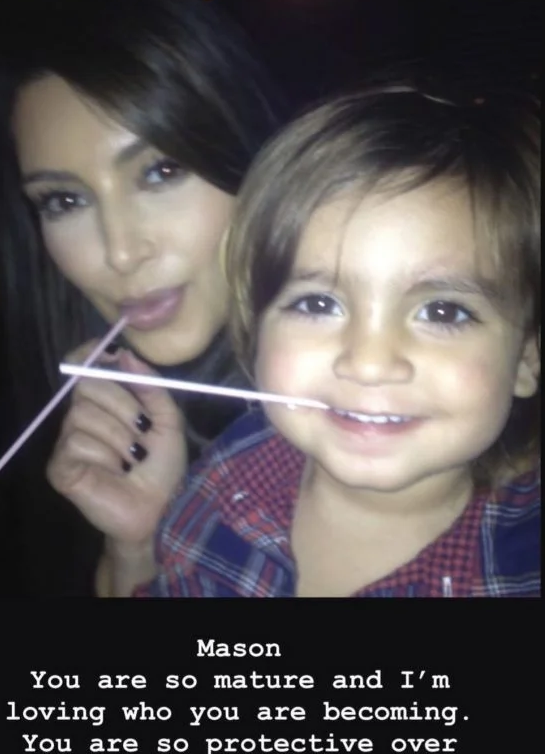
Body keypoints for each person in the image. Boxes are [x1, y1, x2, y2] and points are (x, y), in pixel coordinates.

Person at [0, 0, 283, 597]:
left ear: (251, 156)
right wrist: (138, 552)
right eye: (64, 200)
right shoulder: (26, 416)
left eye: (161, 171)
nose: (120, 252)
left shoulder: (374, 417)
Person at [138, 79, 541, 597]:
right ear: (256, 326)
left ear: (527, 357)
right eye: (317, 304)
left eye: (442, 312)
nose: (368, 363)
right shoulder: (231, 465)